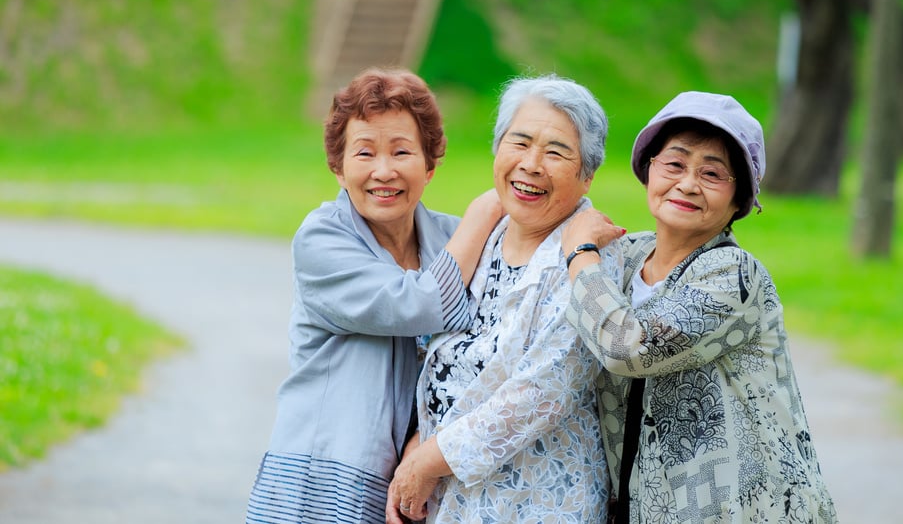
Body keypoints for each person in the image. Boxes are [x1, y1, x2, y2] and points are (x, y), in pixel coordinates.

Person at [560, 91, 839, 524]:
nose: (688, 184)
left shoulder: (734, 274)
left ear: (738, 200)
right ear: (648, 170)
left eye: (712, 174)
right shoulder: (624, 257)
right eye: (674, 164)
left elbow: (627, 348)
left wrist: (579, 253)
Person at [245, 67, 502, 524]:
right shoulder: (321, 239)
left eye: (402, 151)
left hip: (418, 481)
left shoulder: (449, 238)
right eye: (364, 153)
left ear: (430, 165)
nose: (384, 171)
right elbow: (421, 304)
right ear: (339, 169)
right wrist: (484, 213)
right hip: (321, 483)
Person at [385, 75, 616, 524]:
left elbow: (541, 393)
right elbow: (435, 348)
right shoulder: (482, 236)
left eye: (556, 152)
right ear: (497, 150)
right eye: (520, 142)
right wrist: (419, 441)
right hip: (456, 502)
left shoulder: (591, 257)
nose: (531, 164)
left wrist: (424, 463)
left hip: (536, 505)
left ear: (587, 176)